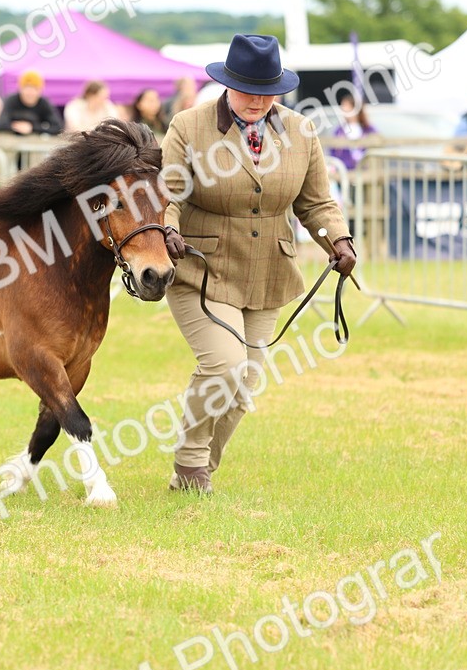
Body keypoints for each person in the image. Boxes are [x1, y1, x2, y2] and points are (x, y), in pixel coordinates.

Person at [160, 34, 357, 494]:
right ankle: (190, 464)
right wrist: (167, 228)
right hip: (200, 267)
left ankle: (199, 467)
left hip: (269, 268)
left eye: (268, 91)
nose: (258, 100)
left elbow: (316, 203)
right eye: (248, 90)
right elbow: (168, 192)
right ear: (228, 84)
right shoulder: (189, 126)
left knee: (245, 383)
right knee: (225, 365)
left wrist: (338, 239)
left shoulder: (302, 132)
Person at [0, 70, 62, 136]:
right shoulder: (11, 101)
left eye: (35, 89)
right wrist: (18, 127)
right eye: (27, 88)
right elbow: (1, 124)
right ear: (20, 89)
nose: (30, 93)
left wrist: (32, 128)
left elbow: (58, 127)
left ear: (40, 90)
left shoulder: (44, 103)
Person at [330, 93, 377, 170]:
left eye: (347, 107)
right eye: (343, 107)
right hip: (344, 172)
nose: (344, 110)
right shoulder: (339, 131)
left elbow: (376, 148)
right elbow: (333, 152)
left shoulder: (369, 129)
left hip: (365, 172)